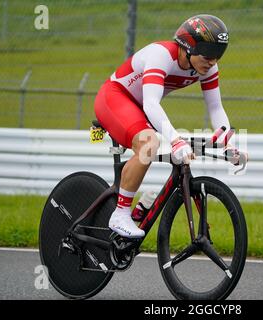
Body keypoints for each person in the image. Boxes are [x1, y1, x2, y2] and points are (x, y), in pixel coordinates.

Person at [94, 14, 244, 238]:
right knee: (149, 143)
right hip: (115, 98)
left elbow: (215, 107)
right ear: (189, 47)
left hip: (139, 107)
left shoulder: (207, 67)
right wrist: (175, 140)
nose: (213, 61)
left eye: (218, 54)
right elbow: (151, 103)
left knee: (158, 146)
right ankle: (120, 214)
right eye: (209, 54)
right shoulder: (161, 54)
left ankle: (142, 208)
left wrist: (227, 143)